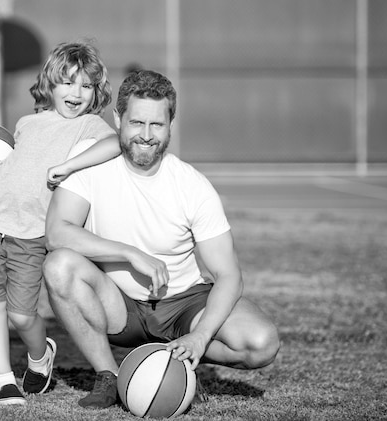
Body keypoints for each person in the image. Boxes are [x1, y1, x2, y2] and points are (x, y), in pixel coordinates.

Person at [43, 70, 281, 409]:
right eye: (137, 122)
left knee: (261, 343)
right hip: (118, 304)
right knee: (59, 265)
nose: (146, 135)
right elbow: (57, 232)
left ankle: (178, 358)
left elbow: (229, 275)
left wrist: (200, 336)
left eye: (157, 125)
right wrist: (129, 253)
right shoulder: (88, 161)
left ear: (171, 125)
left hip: (183, 304)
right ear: (118, 119)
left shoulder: (192, 185)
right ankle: (108, 375)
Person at [0, 42, 121, 405]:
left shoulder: (90, 126)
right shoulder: (27, 122)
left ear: (96, 93)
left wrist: (70, 166)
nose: (76, 93)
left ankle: (40, 354)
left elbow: (115, 144)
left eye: (87, 85)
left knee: (22, 314)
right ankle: (3, 380)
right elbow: (15, 175)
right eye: (67, 82)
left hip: (30, 233)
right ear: (50, 85)